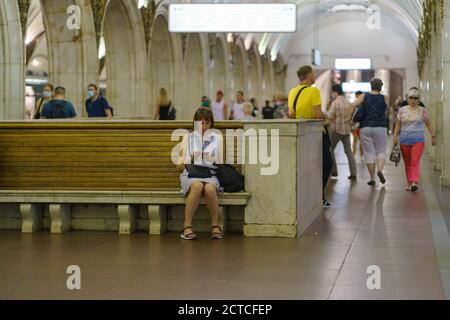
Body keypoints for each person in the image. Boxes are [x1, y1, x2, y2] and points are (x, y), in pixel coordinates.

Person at [288, 65, 332, 208]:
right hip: (316, 134)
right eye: (313, 74)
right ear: (308, 76)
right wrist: (327, 116)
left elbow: (291, 114)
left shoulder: (292, 92)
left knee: (306, 166)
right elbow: (318, 115)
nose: (314, 76)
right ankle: (318, 196)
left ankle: (310, 196)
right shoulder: (313, 91)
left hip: (301, 134)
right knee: (326, 164)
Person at [177, 108, 224, 240]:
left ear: (211, 124)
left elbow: (220, 163)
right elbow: (179, 165)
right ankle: (186, 226)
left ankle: (215, 225)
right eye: (200, 123)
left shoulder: (218, 138)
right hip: (191, 174)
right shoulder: (188, 138)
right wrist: (191, 158)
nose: (203, 127)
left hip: (210, 174)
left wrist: (210, 158)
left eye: (206, 123)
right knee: (197, 186)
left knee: (209, 188)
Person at [393, 88, 436, 192]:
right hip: (404, 140)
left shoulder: (422, 110)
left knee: (415, 161)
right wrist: (395, 137)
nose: (413, 100)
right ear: (407, 99)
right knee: (407, 163)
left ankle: (414, 181)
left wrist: (433, 136)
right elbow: (398, 124)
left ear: (419, 99)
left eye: (415, 98)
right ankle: (410, 184)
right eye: (411, 98)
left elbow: (429, 124)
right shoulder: (402, 110)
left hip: (418, 140)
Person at [351, 78, 389, 187]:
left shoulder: (364, 96)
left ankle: (372, 178)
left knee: (369, 152)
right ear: (381, 87)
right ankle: (380, 171)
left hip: (365, 127)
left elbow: (353, 105)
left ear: (370, 86)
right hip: (380, 126)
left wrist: (349, 118)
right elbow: (385, 110)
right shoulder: (385, 98)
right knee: (381, 150)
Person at [329, 84, 357, 180]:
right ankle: (353, 173)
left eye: (332, 92)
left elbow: (330, 117)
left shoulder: (335, 103)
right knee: (349, 152)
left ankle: (334, 171)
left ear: (336, 92)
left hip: (336, 130)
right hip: (346, 130)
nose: (332, 94)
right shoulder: (348, 102)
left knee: (330, 149)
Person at [351, 91, 364, 157]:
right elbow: (351, 114)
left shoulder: (364, 105)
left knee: (361, 141)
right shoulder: (354, 104)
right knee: (355, 140)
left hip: (361, 126)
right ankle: (354, 154)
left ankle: (361, 155)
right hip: (355, 125)